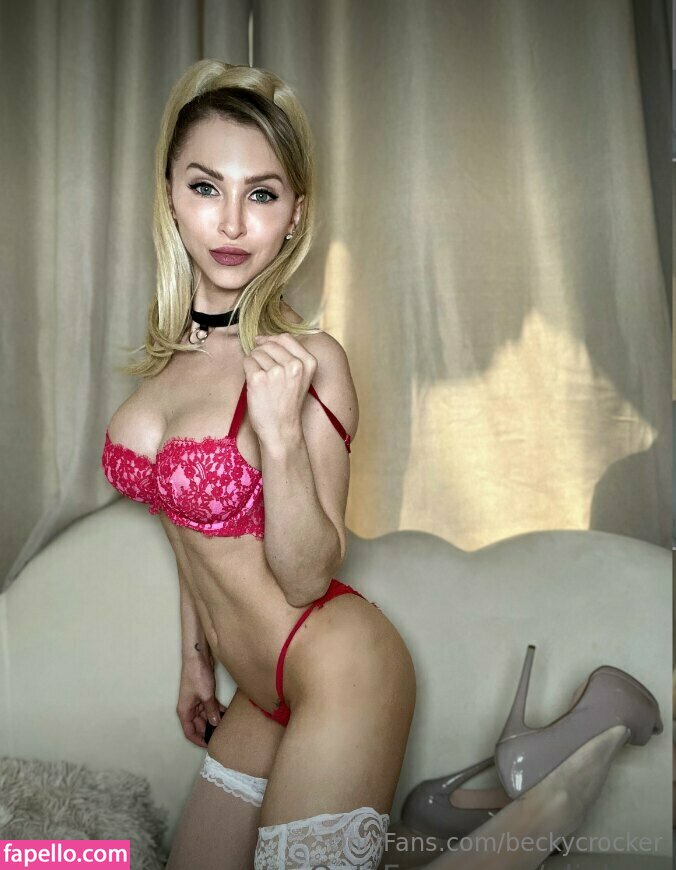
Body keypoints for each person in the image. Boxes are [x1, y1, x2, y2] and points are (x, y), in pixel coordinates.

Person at [102, 59, 662, 869]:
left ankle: (583, 750)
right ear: (168, 194)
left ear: (294, 215)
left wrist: (280, 437)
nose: (230, 222)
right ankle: (451, 814)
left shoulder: (309, 360)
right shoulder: (162, 367)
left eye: (261, 194)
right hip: (262, 688)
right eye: (205, 187)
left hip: (340, 666)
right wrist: (195, 657)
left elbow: (306, 575)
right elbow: (189, 530)